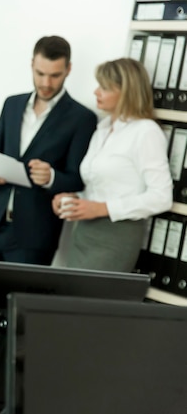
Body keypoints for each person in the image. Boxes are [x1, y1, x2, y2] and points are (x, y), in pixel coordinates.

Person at [0, 35, 97, 265]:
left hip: (35, 237)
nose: (46, 83)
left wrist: (51, 177)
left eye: (55, 75)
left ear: (68, 70)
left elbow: (79, 180)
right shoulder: (12, 105)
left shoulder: (82, 119)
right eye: (40, 73)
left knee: (18, 301)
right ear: (32, 66)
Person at [52, 58, 172, 272]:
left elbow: (162, 198)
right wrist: (75, 201)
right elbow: (101, 186)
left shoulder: (146, 132)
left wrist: (102, 208)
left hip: (116, 237)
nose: (96, 92)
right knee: (69, 301)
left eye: (105, 88)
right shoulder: (103, 129)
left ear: (126, 92)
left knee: (91, 303)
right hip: (84, 233)